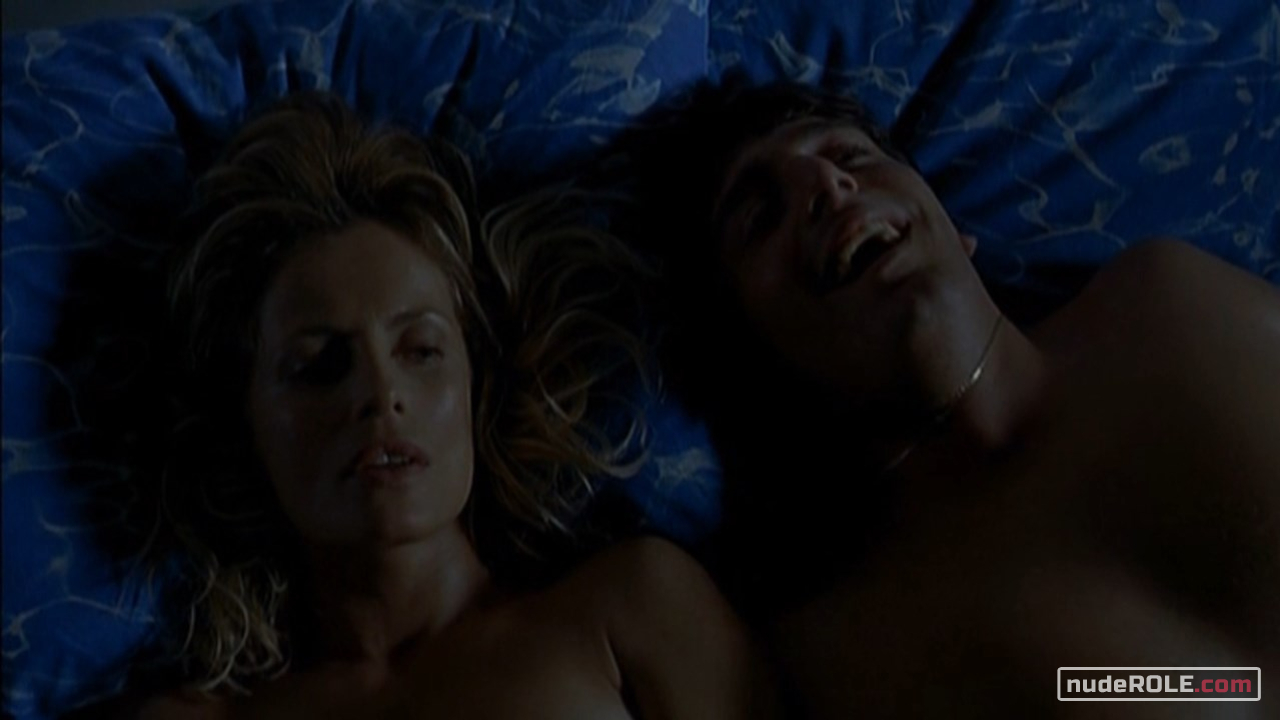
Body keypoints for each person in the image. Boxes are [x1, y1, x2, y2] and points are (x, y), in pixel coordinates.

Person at [103, 92, 774, 719]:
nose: (379, 393)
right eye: (317, 367)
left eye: (421, 350)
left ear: (475, 380)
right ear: (244, 418)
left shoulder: (629, 608)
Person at [627, 80, 1280, 718]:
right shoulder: (848, 653)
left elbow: (1227, 688)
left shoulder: (1167, 305)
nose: (826, 183)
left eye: (849, 155)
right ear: (752, 360)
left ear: (955, 227)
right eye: (761, 217)